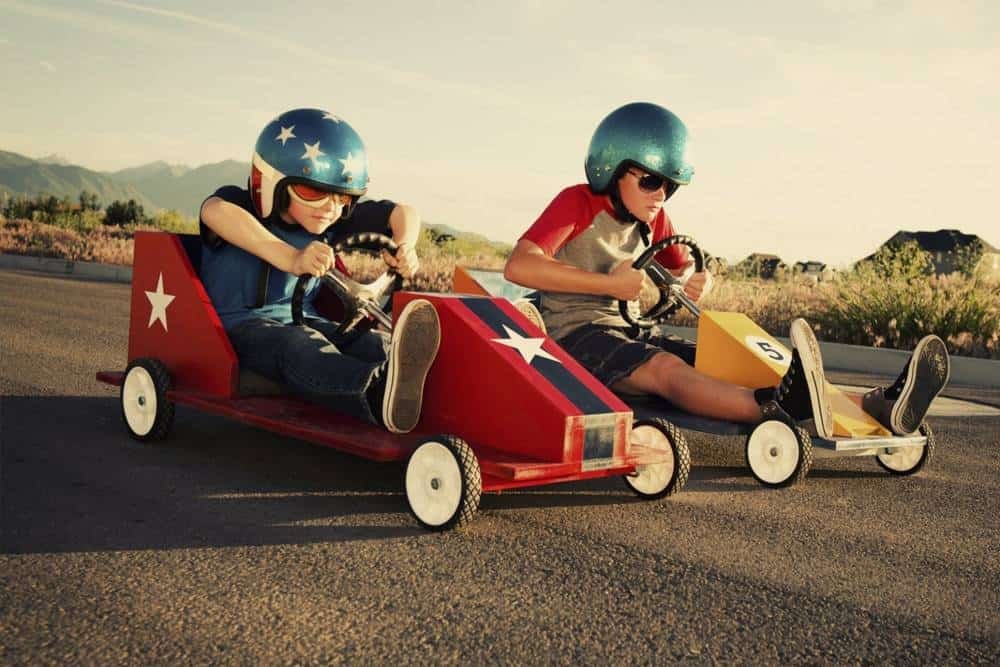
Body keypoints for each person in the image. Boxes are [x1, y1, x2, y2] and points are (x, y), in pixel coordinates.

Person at [504, 102, 950, 437]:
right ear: (612, 168)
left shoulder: (652, 217)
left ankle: (877, 405)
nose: (661, 194)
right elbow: (520, 266)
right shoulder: (577, 203)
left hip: (629, 331)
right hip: (574, 340)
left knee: (729, 361)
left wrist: (698, 282)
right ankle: (774, 411)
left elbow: (689, 267)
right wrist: (609, 284)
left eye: (670, 186)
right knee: (665, 372)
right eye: (650, 181)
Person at [199, 107, 439, 434]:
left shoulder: (330, 222)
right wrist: (292, 258)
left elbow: (403, 212)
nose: (331, 207)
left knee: (371, 343)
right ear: (273, 184)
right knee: (300, 344)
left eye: (342, 197)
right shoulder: (238, 205)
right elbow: (214, 211)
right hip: (239, 328)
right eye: (313, 193)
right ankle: (375, 392)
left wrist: (405, 245)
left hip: (304, 318)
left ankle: (428, 390)